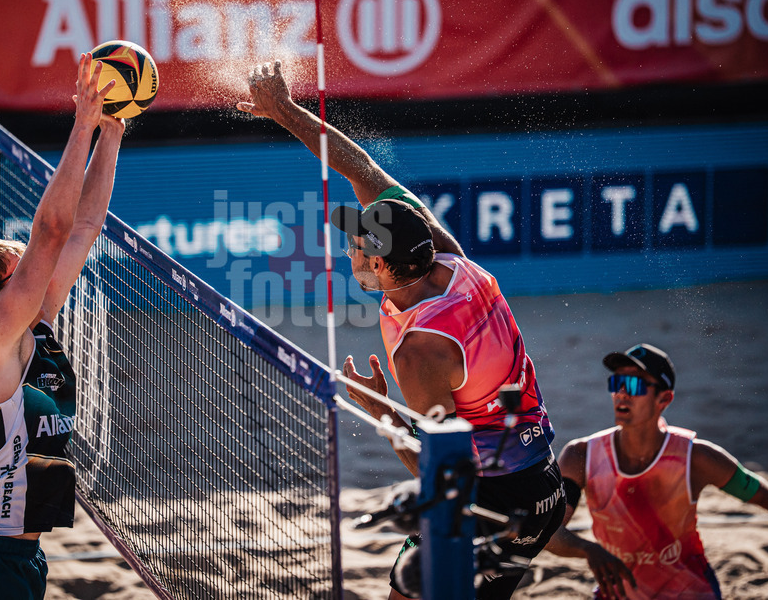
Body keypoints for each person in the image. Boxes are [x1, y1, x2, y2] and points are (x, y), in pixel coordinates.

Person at [238, 60, 565, 600]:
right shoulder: (447, 257)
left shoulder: (421, 353)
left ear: (387, 268)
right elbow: (361, 169)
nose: (349, 250)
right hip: (540, 482)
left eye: (360, 247)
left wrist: (383, 413)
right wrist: (285, 110)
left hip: (493, 502)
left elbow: (439, 471)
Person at [0, 53, 122, 599]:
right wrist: (81, 125)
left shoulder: (32, 326)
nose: (36, 272)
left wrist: (111, 131)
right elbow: (54, 228)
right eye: (22, 271)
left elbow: (84, 225)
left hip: (21, 558)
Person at [546, 343, 768, 600]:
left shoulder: (696, 457)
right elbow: (550, 533)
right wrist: (589, 550)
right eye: (616, 383)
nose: (622, 393)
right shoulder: (581, 455)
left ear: (665, 398)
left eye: (636, 384)